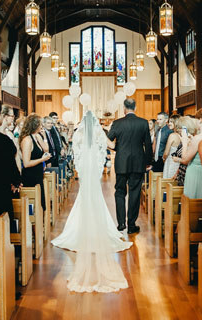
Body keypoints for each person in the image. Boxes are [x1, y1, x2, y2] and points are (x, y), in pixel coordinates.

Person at [52, 111, 132, 293]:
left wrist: (80, 169)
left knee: (83, 196)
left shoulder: (80, 133)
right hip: (93, 170)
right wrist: (97, 170)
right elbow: (103, 152)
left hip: (85, 169)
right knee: (96, 198)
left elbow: (76, 152)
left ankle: (80, 230)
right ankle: (99, 228)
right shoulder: (99, 133)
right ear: (95, 123)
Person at [106, 99, 153, 234]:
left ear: (124, 108)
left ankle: (121, 223)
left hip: (121, 162)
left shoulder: (117, 123)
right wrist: (148, 162)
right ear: (135, 107)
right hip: (138, 163)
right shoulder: (143, 123)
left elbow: (108, 140)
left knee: (120, 192)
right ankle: (131, 225)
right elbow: (148, 145)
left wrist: (117, 149)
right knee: (135, 193)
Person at [20, 114, 51, 209]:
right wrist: (42, 160)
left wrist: (43, 136)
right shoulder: (27, 140)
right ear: (34, 125)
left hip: (37, 174)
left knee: (41, 205)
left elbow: (46, 149)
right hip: (30, 176)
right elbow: (26, 163)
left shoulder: (36, 137)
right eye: (40, 124)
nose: (41, 127)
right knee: (35, 206)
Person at [181, 107, 202, 199]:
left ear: (200, 120)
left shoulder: (198, 138)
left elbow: (185, 159)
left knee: (193, 201)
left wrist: (184, 143)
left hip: (196, 173)